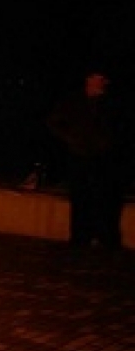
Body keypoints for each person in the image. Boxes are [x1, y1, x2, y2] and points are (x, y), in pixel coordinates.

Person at [47, 68, 129, 249]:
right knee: (80, 197)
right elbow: (54, 122)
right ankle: (80, 237)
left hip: (105, 157)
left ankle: (107, 238)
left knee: (106, 198)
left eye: (103, 80)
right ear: (88, 80)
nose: (100, 83)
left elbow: (122, 127)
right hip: (79, 154)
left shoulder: (113, 103)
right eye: (96, 79)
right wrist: (71, 137)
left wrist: (109, 142)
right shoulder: (73, 101)